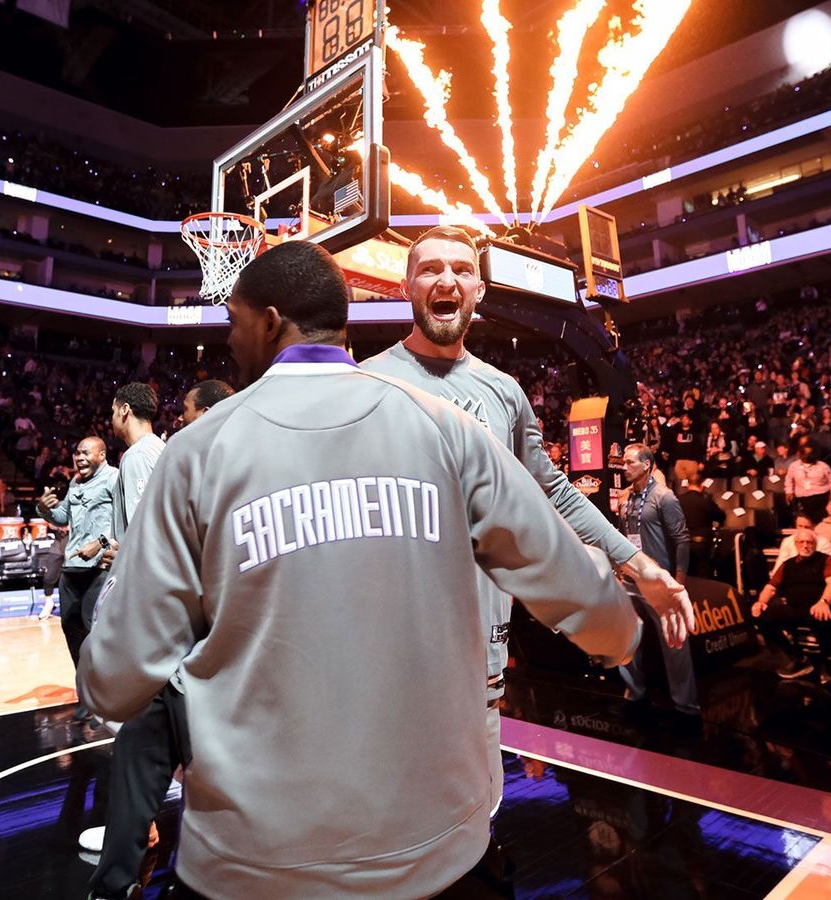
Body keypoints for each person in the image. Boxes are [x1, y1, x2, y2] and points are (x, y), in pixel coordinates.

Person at [78, 240, 656, 896]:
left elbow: (113, 682)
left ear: (269, 322)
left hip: (264, 863)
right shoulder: (450, 429)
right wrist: (622, 628)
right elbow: (595, 607)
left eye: (234, 323)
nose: (229, 343)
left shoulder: (195, 454)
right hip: (440, 851)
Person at [361, 225, 692, 806]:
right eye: (430, 268)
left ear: (480, 290)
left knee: (479, 812)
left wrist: (641, 566)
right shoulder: (365, 382)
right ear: (406, 285)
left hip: (483, 656)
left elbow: (554, 494)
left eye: (462, 269)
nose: (446, 279)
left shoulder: (505, 392)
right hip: (389, 654)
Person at [81, 382, 174, 900]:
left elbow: (145, 529)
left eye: (111, 411)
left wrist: (124, 555)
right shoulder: (162, 450)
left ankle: (140, 827)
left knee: (128, 710)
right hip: (166, 598)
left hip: (144, 597)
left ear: (122, 410)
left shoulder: (137, 456)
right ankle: (142, 823)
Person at [616, 444, 699, 721]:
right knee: (627, 638)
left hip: (658, 581)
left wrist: (678, 580)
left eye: (630, 463)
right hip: (630, 579)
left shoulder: (665, 497)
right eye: (623, 463)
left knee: (674, 642)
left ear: (647, 465)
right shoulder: (625, 497)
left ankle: (686, 705)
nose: (624, 467)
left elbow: (682, 540)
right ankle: (635, 692)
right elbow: (622, 536)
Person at [40, 436, 117, 719]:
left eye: (86, 452)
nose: (79, 457)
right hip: (71, 568)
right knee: (72, 633)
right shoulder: (75, 482)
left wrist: (101, 543)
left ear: (102, 454)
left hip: (99, 569)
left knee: (96, 637)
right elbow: (62, 517)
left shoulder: (114, 478)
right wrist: (45, 509)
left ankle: (107, 700)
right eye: (77, 453)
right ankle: (86, 696)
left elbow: (125, 520)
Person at [752, 528, 831, 679]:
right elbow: (770, 587)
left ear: (815, 544)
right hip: (795, 607)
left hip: (820, 605)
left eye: (809, 542)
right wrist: (761, 602)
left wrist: (824, 601)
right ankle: (798, 657)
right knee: (763, 617)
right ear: (795, 544)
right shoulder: (787, 564)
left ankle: (826, 664)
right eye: (801, 542)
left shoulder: (827, 560)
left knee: (823, 618)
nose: (805, 545)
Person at [674, 475, 724, 578]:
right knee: (703, 575)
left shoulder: (678, 500)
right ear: (702, 485)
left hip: (682, 542)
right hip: (702, 543)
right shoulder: (706, 500)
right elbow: (721, 516)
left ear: (687, 485)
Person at [783, 442, 831, 523]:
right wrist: (789, 491)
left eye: (809, 454)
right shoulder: (794, 466)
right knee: (805, 521)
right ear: (800, 454)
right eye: (805, 453)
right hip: (802, 498)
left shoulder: (823, 466)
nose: (807, 456)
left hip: (821, 497)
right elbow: (789, 480)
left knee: (820, 521)